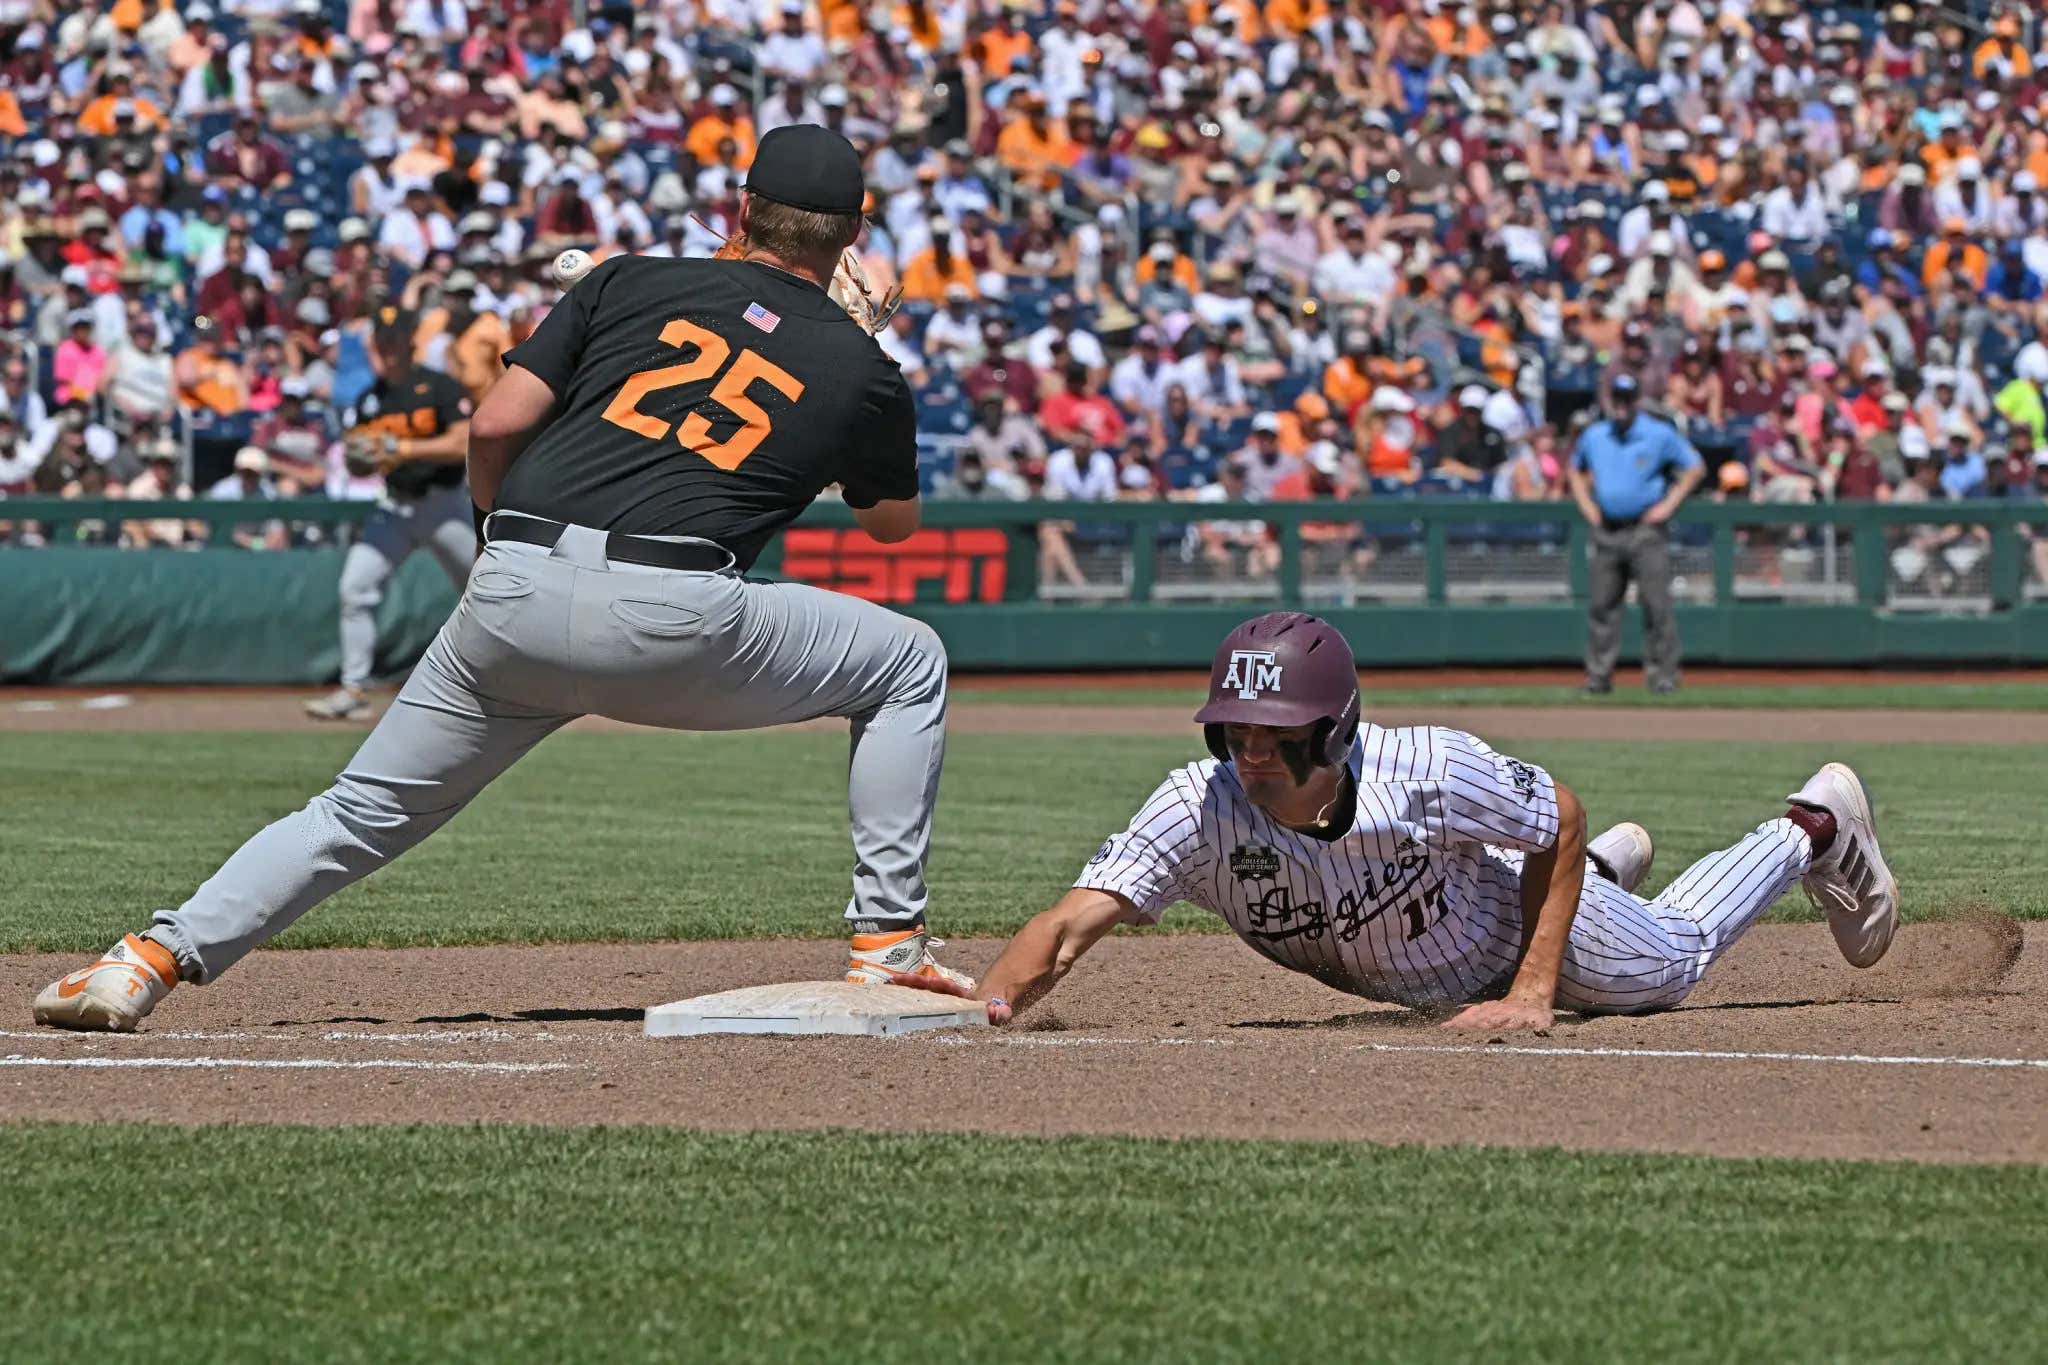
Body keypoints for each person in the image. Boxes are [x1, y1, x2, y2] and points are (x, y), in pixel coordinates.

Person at [35, 126, 968, 1032]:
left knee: (356, 811)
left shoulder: (625, 279)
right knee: (909, 661)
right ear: (856, 230)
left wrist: (497, 542)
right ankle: (888, 942)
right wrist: (857, 361)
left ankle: (143, 960)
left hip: (513, 586)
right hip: (676, 614)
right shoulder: (864, 367)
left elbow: (494, 424)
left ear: (743, 207)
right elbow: (891, 526)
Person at [887, 613, 1898, 1031]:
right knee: (1562, 864)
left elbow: (1555, 811)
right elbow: (1067, 925)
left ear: (1331, 732)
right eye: (1234, 729)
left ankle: (1812, 825)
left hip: (1507, 932)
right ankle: (1595, 874)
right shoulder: (1197, 807)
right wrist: (988, 1007)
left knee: (1666, 966)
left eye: (1273, 733)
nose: (1247, 751)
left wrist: (1532, 994)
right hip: (1459, 925)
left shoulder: (1425, 769)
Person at [301, 312, 477, 722]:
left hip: (445, 505)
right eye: (383, 342)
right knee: (355, 587)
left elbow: (462, 441)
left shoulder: (438, 386)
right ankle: (353, 689)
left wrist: (400, 448)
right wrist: (361, 456)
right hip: (395, 505)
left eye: (395, 340)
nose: (389, 350)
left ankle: (509, 684)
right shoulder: (370, 397)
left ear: (410, 343)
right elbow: (358, 464)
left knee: (483, 590)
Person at [1567, 374, 1705, 695]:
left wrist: (1668, 504)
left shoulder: (1658, 433)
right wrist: (1587, 505)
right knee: (1602, 607)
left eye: (1627, 398)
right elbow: (1574, 468)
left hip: (1645, 530)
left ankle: (1663, 676)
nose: (1622, 405)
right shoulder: (1595, 435)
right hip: (1608, 529)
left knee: (1657, 606)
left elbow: (1695, 467)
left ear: (1636, 400)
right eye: (1617, 397)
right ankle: (1598, 677)